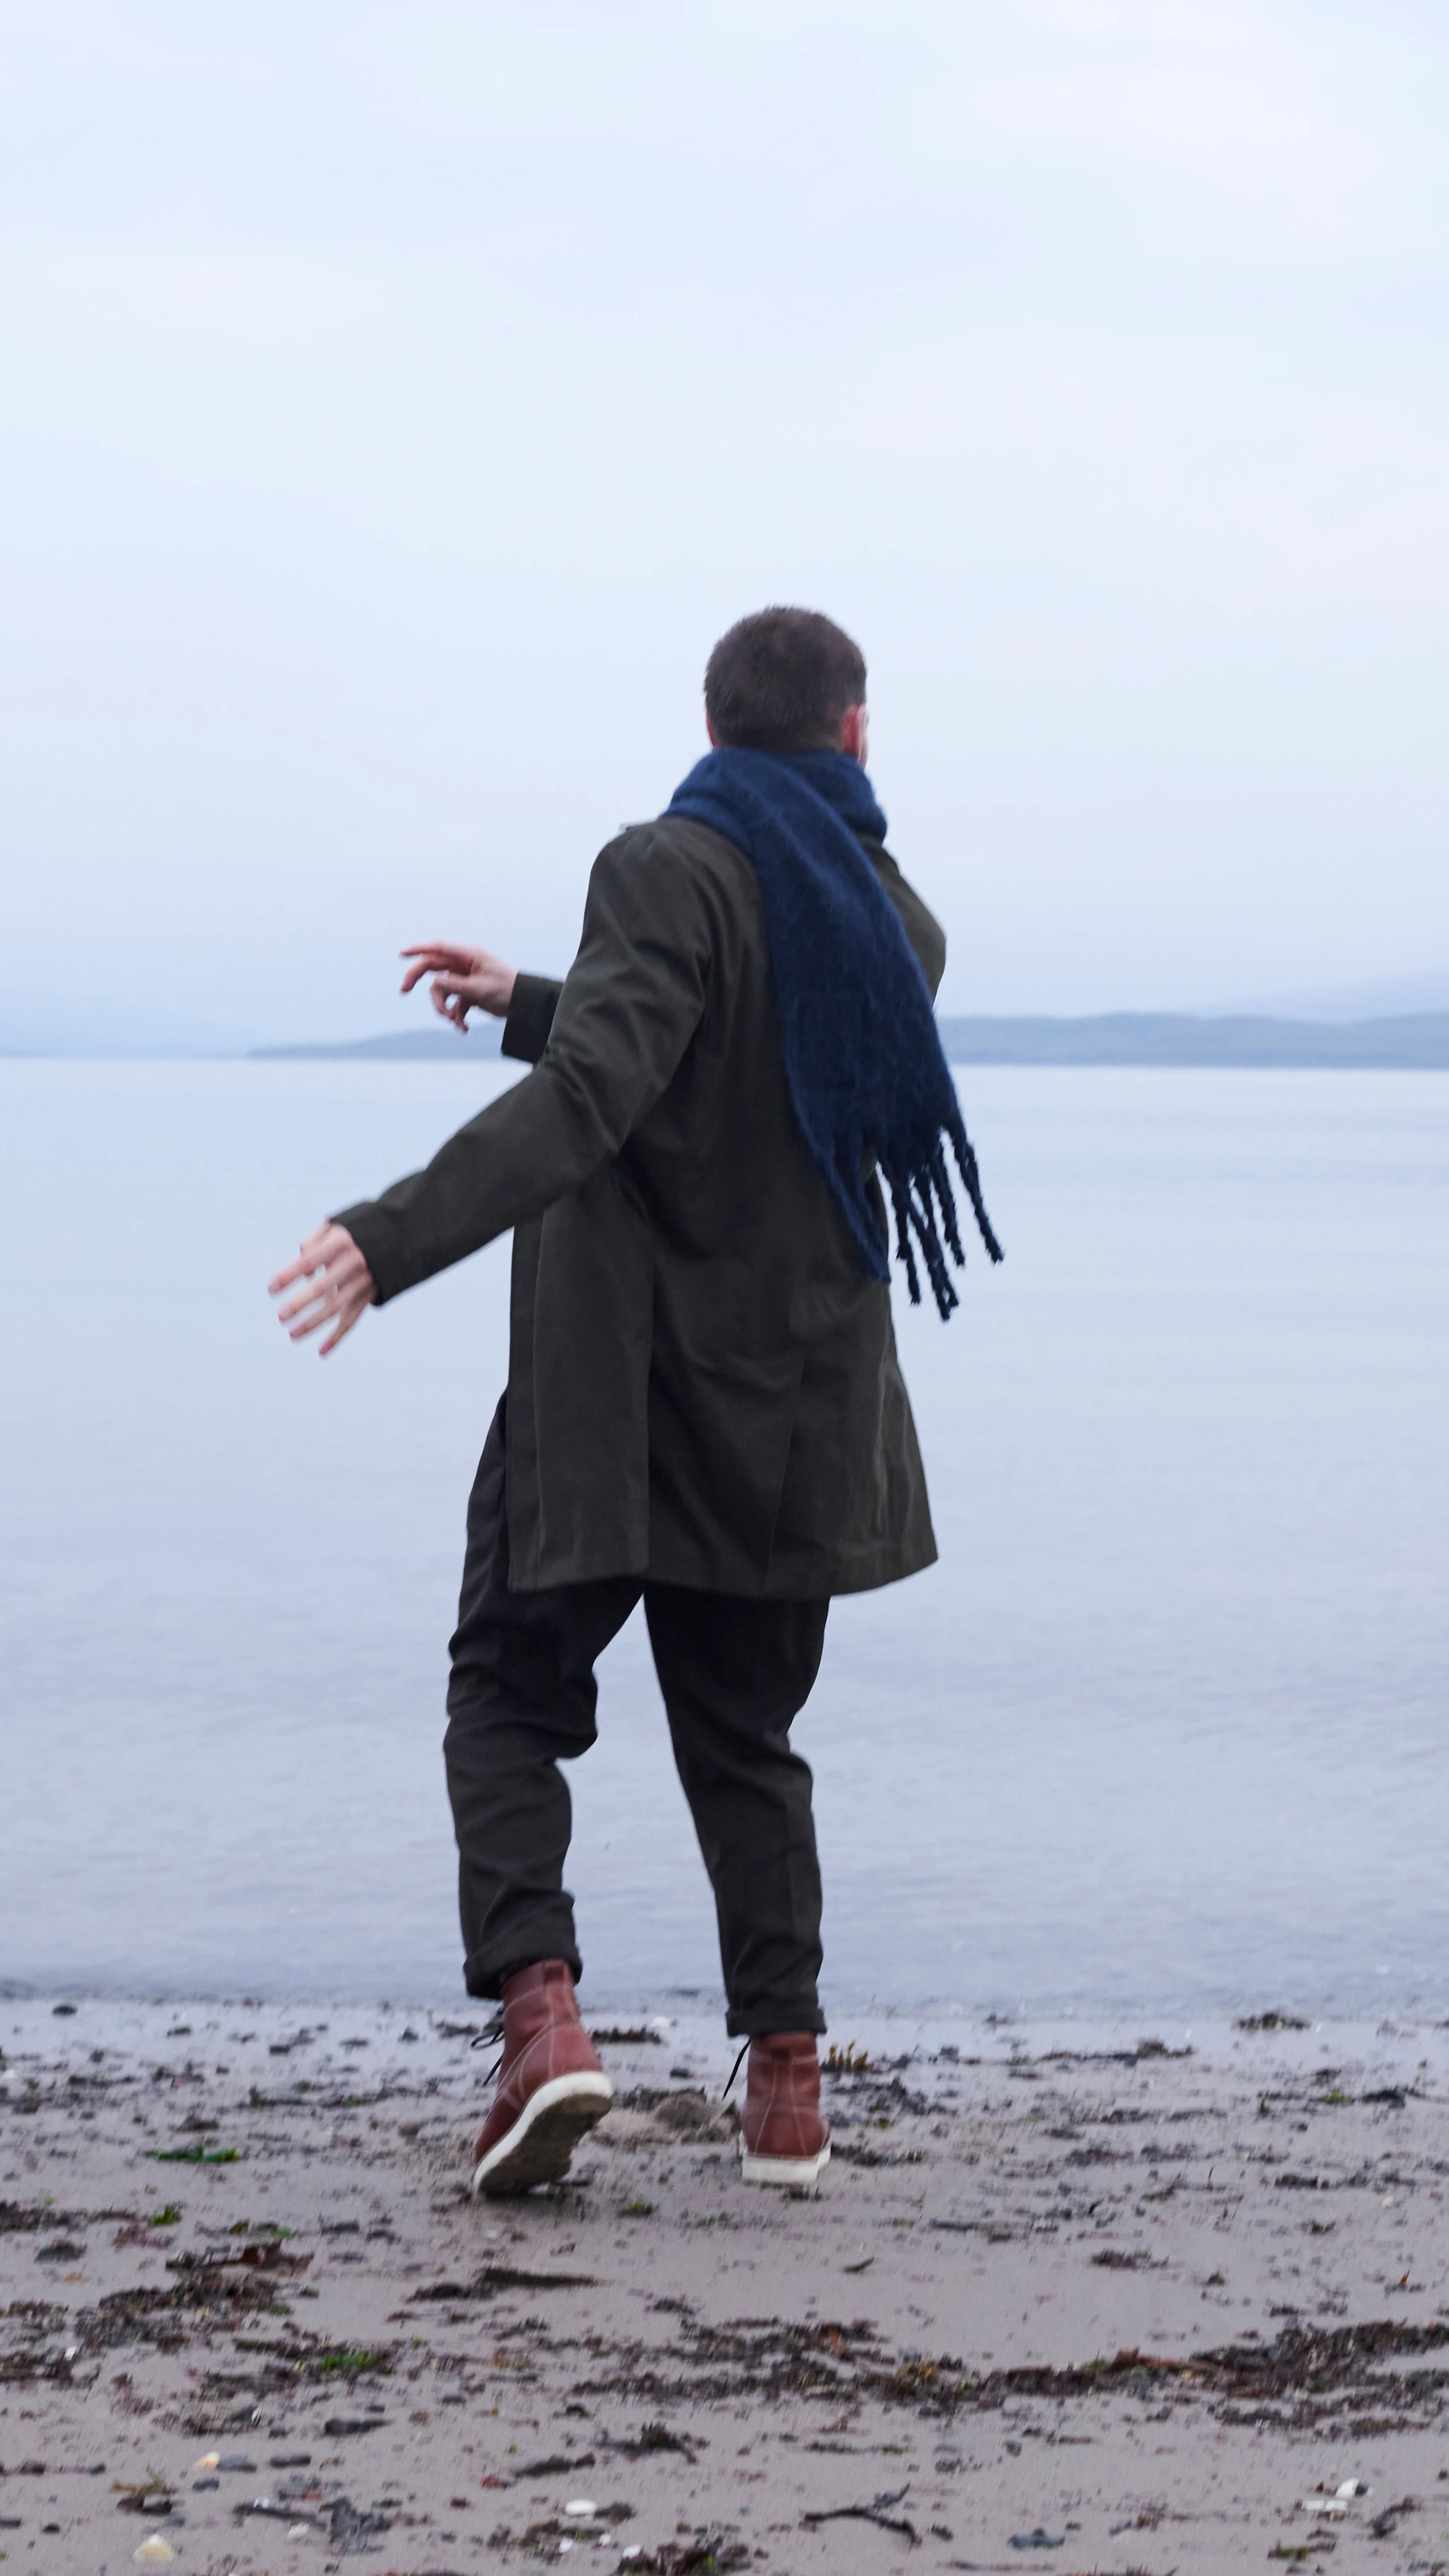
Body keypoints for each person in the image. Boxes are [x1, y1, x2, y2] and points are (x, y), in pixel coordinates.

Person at [268, 606, 999, 2199]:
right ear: (856, 738)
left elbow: (608, 1093)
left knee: (510, 1692)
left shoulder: (661, 869)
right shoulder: (888, 925)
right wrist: (542, 995)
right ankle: (788, 2091)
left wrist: (385, 1240)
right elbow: (726, 1050)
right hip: (795, 1416)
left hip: (613, 1400)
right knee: (748, 1736)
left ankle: (544, 2025)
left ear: (715, 726)